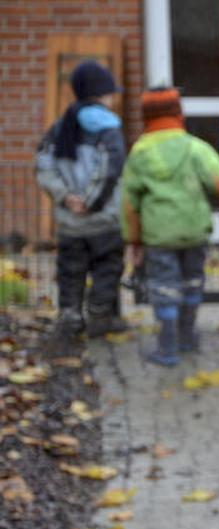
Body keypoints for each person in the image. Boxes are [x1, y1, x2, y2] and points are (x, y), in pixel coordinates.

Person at [120, 87, 219, 366]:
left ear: (145, 117)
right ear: (178, 114)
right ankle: (187, 338)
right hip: (195, 232)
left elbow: (129, 203)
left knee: (164, 288)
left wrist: (134, 240)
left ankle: (168, 348)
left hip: (159, 236)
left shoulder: (139, 153)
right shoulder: (194, 147)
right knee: (192, 282)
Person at [36, 60, 128, 338]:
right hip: (102, 219)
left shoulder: (60, 126)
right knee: (107, 268)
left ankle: (70, 316)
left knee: (70, 271)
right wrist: (90, 202)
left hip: (69, 221)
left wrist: (66, 198)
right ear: (101, 95)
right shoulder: (109, 129)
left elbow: (43, 166)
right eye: (111, 93)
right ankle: (101, 312)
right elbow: (109, 171)